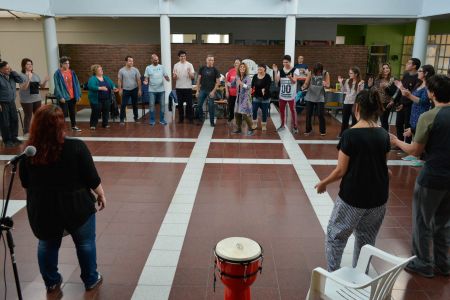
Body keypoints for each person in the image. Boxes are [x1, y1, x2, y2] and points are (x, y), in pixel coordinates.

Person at [19, 105, 106, 295]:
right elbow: (92, 178)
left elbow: (25, 183)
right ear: (61, 125)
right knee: (85, 243)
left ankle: (51, 282)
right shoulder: (76, 147)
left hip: (43, 208)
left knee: (47, 244)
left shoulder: (28, 153)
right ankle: (91, 279)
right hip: (76, 206)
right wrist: (101, 194)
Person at [315, 89, 390, 272]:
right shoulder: (384, 134)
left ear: (357, 108)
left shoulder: (350, 135)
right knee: (366, 239)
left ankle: (334, 274)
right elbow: (385, 167)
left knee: (336, 235)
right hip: (379, 197)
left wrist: (323, 183)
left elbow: (341, 170)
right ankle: (361, 275)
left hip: (353, 197)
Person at [390, 75, 450, 278]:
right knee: (443, 222)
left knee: (423, 220)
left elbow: (415, 150)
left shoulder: (429, 116)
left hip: (432, 177)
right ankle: (443, 264)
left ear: (432, 93)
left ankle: (423, 262)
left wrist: (397, 141)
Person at [397, 64, 435, 166]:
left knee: (420, 134)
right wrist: (404, 91)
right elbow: (412, 96)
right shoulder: (419, 84)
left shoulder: (428, 86)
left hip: (421, 112)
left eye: (420, 71)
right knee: (415, 132)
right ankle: (415, 154)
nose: (418, 73)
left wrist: (409, 95)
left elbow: (422, 101)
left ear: (426, 73)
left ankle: (420, 156)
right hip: (414, 112)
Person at [19, 58, 49, 136]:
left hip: (37, 98)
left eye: (31, 64)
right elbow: (23, 87)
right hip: (26, 100)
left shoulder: (35, 75)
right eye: (28, 64)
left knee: (38, 115)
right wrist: (28, 79)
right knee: (28, 115)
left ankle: (38, 130)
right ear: (24, 66)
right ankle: (26, 132)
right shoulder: (21, 76)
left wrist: (45, 80)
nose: (30, 65)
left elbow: (41, 86)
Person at [395, 58, 421, 144]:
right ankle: (400, 143)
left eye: (409, 63)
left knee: (407, 125)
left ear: (414, 66)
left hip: (410, 106)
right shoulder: (406, 75)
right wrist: (398, 103)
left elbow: (413, 94)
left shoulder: (418, 78)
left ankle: (408, 144)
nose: (406, 64)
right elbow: (400, 89)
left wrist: (404, 104)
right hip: (401, 104)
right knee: (398, 124)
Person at [53, 56, 82, 132]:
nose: (68, 65)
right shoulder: (57, 73)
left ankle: (74, 125)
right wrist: (60, 96)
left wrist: (78, 94)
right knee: (63, 113)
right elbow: (57, 86)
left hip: (72, 96)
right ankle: (61, 128)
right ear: (61, 64)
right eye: (66, 63)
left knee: (72, 112)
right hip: (64, 97)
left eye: (68, 63)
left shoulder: (72, 72)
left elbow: (76, 83)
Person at [302, 62, 330, 136]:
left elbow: (328, 85)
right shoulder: (310, 73)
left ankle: (322, 131)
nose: (318, 72)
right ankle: (308, 129)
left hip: (320, 96)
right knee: (308, 114)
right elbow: (306, 83)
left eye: (319, 71)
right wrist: (303, 87)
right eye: (316, 71)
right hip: (310, 95)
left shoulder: (325, 73)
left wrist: (325, 84)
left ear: (321, 70)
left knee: (320, 114)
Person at [0, 60, 24, 147]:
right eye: (6, 69)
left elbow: (21, 80)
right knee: (5, 122)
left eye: (9, 68)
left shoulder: (12, 75)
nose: (8, 70)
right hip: (3, 103)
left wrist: (13, 72)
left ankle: (14, 137)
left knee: (14, 119)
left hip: (11, 102)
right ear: (1, 69)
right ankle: (7, 140)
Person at [87, 64, 118, 130]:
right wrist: (100, 88)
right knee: (95, 112)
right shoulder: (92, 79)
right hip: (96, 99)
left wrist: (114, 87)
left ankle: (105, 124)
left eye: (101, 69)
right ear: (95, 71)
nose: (101, 71)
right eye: (100, 70)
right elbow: (91, 86)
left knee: (106, 111)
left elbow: (112, 84)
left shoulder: (106, 78)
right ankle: (93, 125)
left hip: (106, 98)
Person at [273, 55, 298, 133]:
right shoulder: (281, 70)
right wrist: (275, 71)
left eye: (286, 62)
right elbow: (276, 82)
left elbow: (294, 81)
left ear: (290, 62)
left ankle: (295, 126)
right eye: (283, 62)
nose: (285, 63)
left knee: (293, 110)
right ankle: (282, 125)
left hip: (291, 95)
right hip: (282, 95)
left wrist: (290, 77)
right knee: (282, 110)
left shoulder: (295, 70)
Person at [338, 66, 365, 138]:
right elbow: (343, 91)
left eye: (351, 73)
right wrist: (340, 83)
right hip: (346, 102)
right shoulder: (347, 81)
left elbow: (360, 94)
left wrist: (359, 86)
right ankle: (342, 134)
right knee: (345, 119)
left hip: (355, 103)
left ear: (356, 74)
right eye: (349, 73)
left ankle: (353, 135)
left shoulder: (361, 82)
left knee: (354, 120)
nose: (349, 74)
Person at [144, 54, 170, 126]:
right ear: (151, 60)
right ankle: (152, 120)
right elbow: (146, 77)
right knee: (152, 105)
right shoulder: (148, 68)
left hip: (161, 90)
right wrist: (146, 81)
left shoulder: (162, 67)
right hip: (152, 90)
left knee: (162, 105)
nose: (156, 61)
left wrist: (167, 78)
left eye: (157, 60)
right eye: (155, 60)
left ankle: (162, 120)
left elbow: (166, 76)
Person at [195, 55, 220, 127]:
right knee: (199, 105)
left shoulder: (215, 70)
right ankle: (201, 119)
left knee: (211, 106)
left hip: (211, 91)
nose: (211, 61)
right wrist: (197, 91)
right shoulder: (202, 68)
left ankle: (212, 122)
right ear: (206, 60)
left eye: (212, 60)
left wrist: (213, 91)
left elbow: (218, 82)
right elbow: (198, 80)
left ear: (213, 61)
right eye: (209, 60)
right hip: (202, 90)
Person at [231, 63, 254, 136]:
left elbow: (249, 87)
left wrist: (241, 84)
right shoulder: (237, 76)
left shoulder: (247, 77)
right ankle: (239, 129)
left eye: (243, 67)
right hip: (238, 98)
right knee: (237, 113)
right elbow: (233, 85)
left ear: (245, 69)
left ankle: (251, 129)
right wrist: (230, 81)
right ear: (239, 68)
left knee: (244, 114)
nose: (242, 68)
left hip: (245, 98)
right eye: (241, 67)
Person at [372, 63, 397, 131]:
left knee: (384, 120)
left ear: (390, 69)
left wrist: (392, 100)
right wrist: (370, 86)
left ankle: (385, 135)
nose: (386, 69)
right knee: (374, 119)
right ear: (381, 70)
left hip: (387, 102)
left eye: (387, 68)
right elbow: (375, 90)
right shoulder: (378, 79)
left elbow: (395, 93)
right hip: (378, 101)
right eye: (384, 68)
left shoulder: (393, 79)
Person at [118, 56, 142, 125]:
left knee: (135, 104)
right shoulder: (121, 70)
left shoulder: (135, 70)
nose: (131, 62)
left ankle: (136, 118)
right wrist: (120, 89)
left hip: (134, 89)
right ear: (126, 62)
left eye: (132, 61)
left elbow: (138, 80)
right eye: (130, 61)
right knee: (123, 105)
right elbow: (119, 80)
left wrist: (139, 89)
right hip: (125, 90)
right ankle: (122, 119)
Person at [173, 50, 195, 124]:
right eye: (181, 56)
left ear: (186, 56)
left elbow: (192, 77)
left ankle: (190, 118)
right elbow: (174, 78)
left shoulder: (190, 65)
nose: (183, 57)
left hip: (188, 87)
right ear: (179, 57)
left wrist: (189, 73)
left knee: (189, 104)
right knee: (180, 104)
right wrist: (175, 76)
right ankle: (181, 119)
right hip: (179, 88)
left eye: (184, 56)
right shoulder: (176, 65)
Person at [251, 63, 272, 131]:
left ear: (264, 69)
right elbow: (252, 86)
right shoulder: (255, 76)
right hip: (256, 96)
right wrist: (250, 91)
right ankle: (254, 124)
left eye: (261, 67)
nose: (259, 69)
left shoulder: (267, 76)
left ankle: (263, 125)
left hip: (265, 97)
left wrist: (264, 89)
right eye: (258, 67)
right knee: (254, 110)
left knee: (264, 112)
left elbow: (268, 85)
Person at [225, 58, 241, 124]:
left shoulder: (242, 72)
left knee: (239, 108)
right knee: (231, 107)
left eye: (238, 63)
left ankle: (240, 119)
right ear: (234, 64)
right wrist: (227, 91)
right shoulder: (230, 71)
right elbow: (226, 82)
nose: (236, 64)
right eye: (235, 63)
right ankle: (231, 117)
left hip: (240, 94)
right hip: (231, 93)